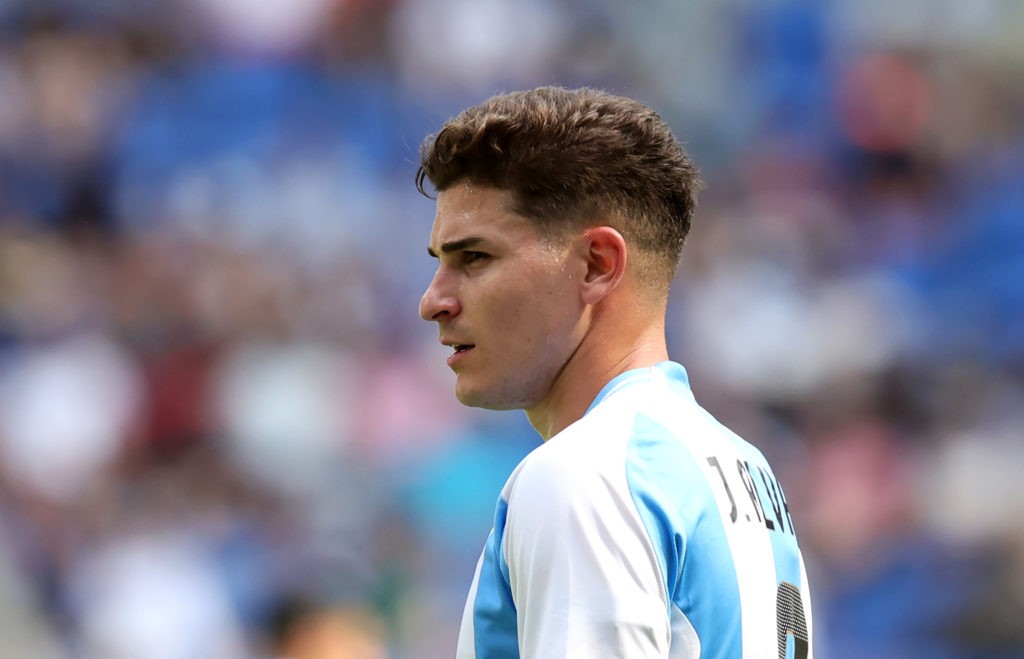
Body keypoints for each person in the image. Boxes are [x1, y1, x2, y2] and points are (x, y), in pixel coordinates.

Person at [416, 86, 813, 659]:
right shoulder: (743, 467)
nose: (432, 302)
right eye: (439, 264)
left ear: (598, 264)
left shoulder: (583, 473)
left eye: (474, 257)